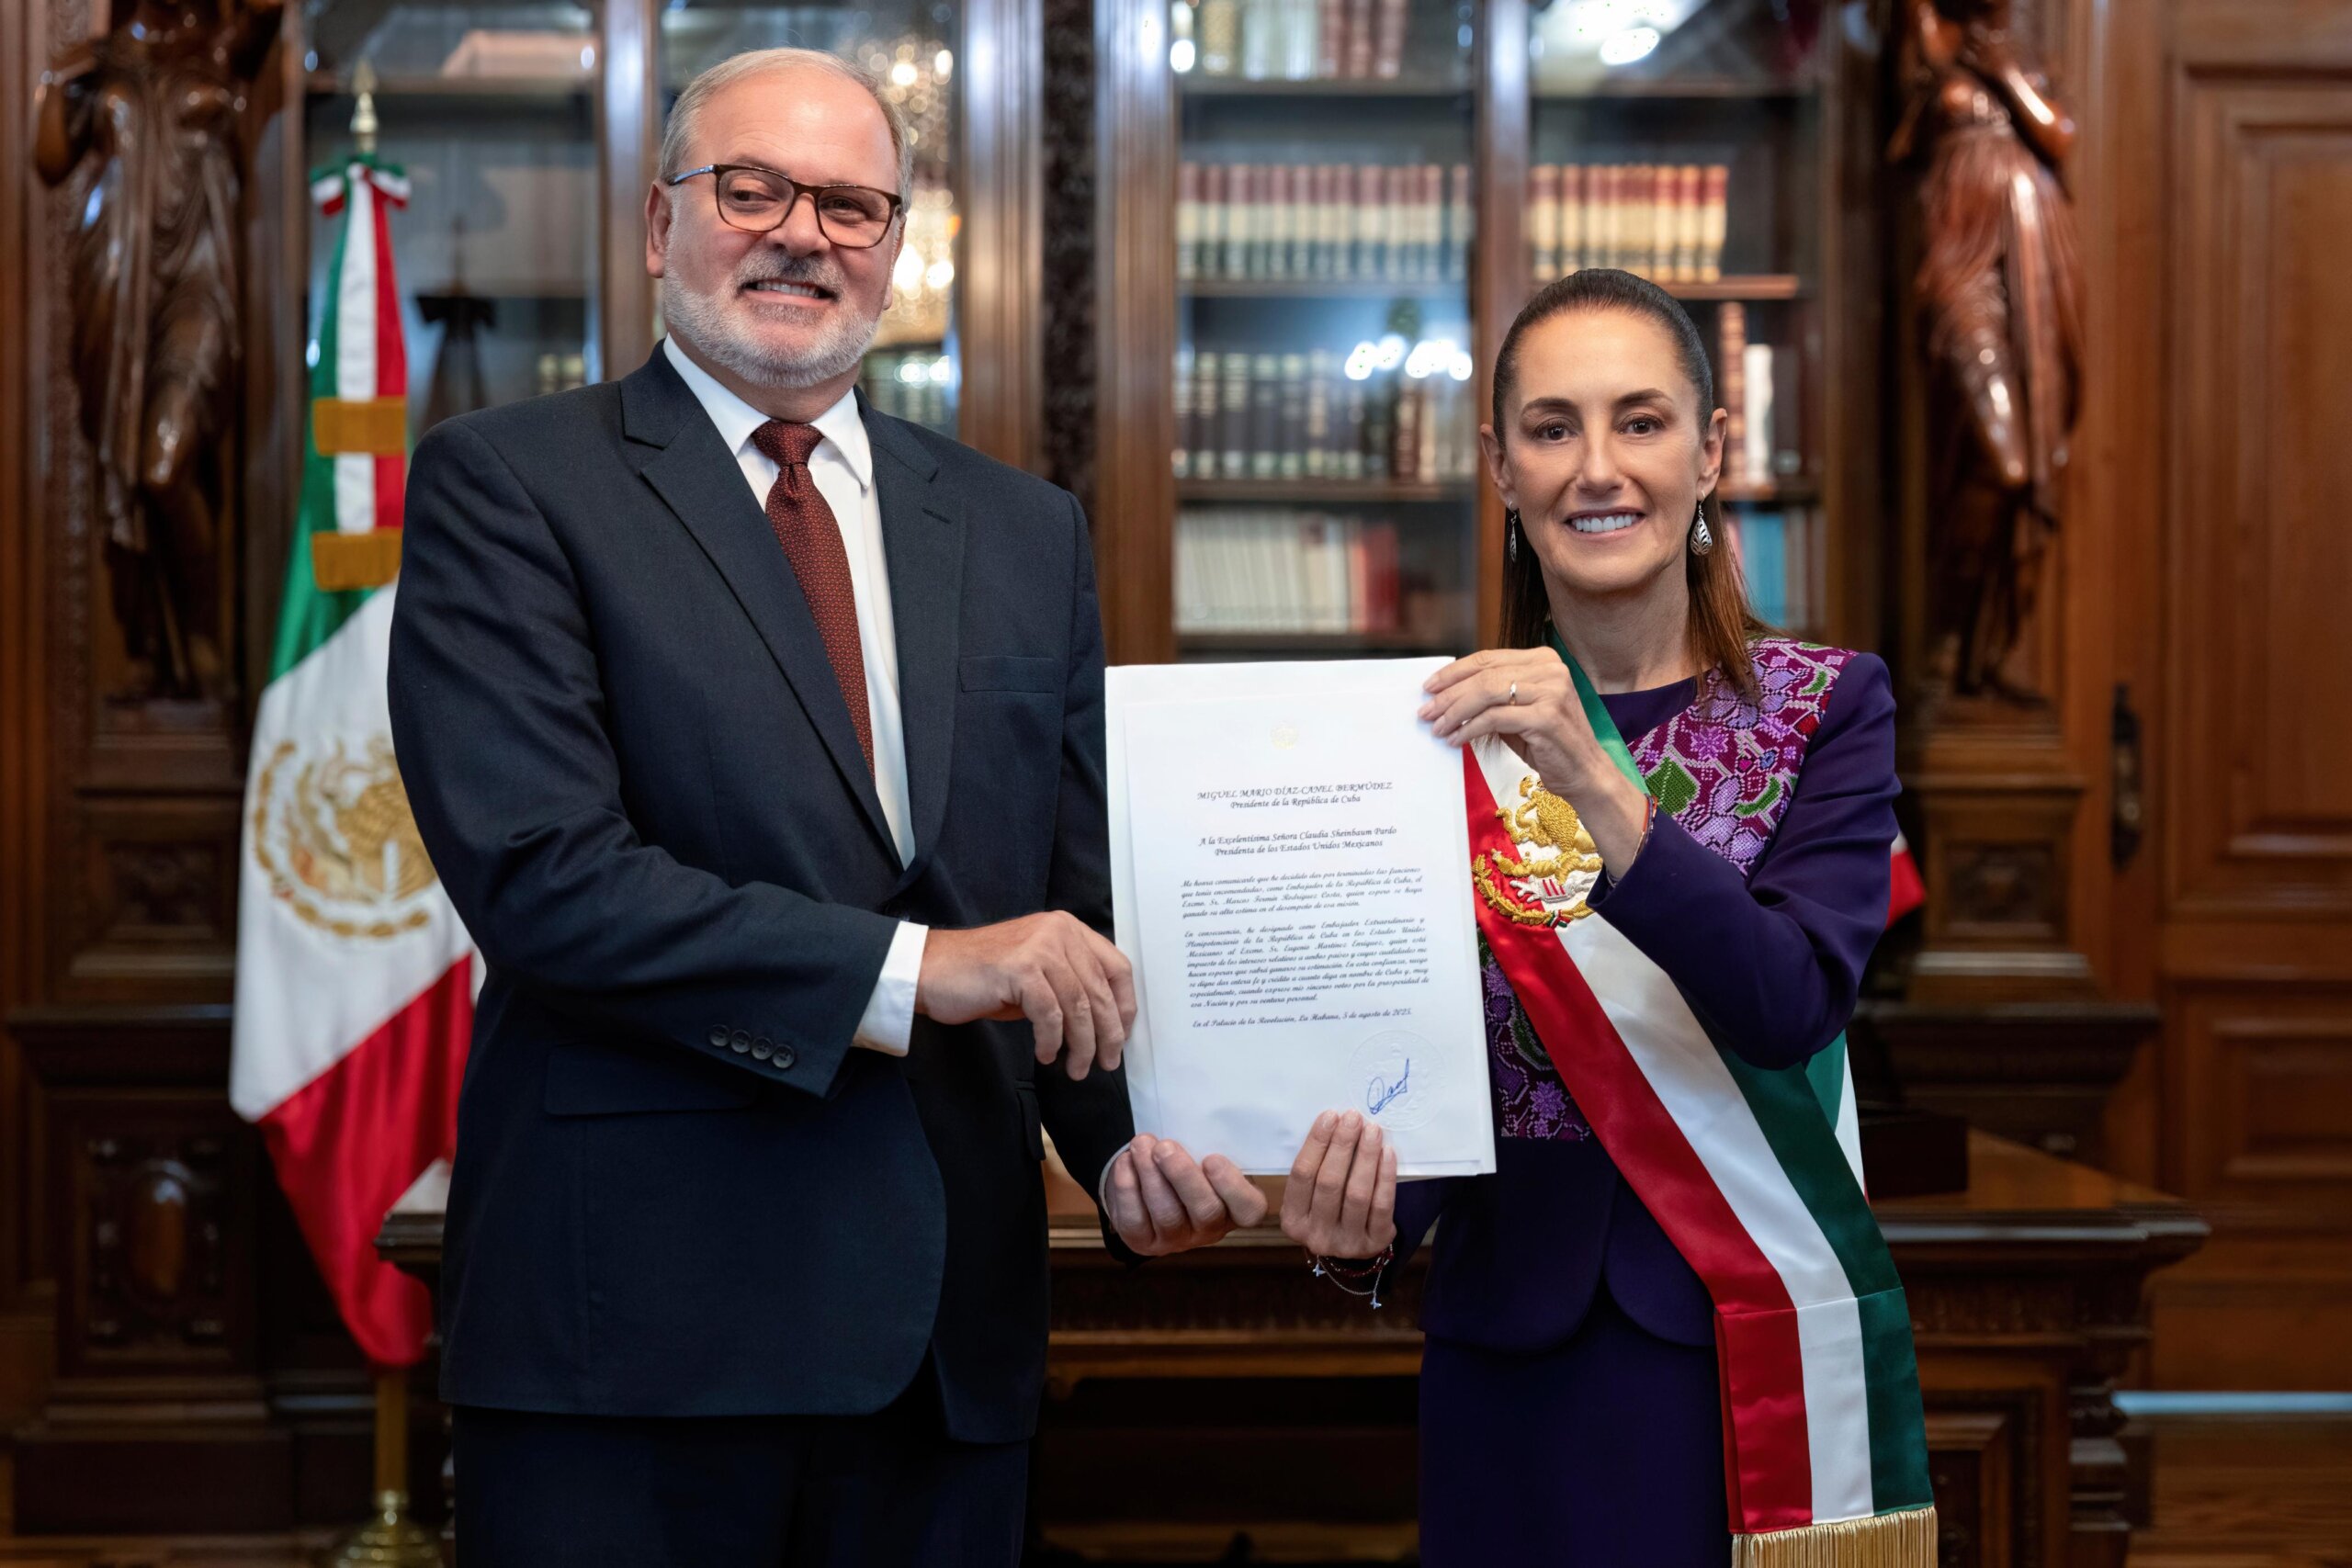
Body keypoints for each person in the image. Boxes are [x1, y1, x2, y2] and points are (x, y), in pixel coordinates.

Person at [387, 47, 1261, 1567]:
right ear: (659, 223)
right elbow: (544, 878)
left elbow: (1076, 906)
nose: (803, 233)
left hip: (948, 1350)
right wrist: (928, 969)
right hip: (637, 1342)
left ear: (897, 248)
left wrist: (1138, 1152)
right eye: (752, 190)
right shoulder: (510, 486)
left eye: (852, 206)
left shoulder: (1024, 529)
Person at [1280, 269, 1935, 1566]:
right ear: (1501, 468)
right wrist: (1361, 1225)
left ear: (1711, 451)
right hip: (1507, 1351)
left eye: (1641, 421)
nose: (1598, 468)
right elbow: (1413, 1064)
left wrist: (1594, 782)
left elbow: (1791, 999)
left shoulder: (1827, 708)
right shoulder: (1430, 737)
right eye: (1552, 428)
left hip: (1740, 1344)